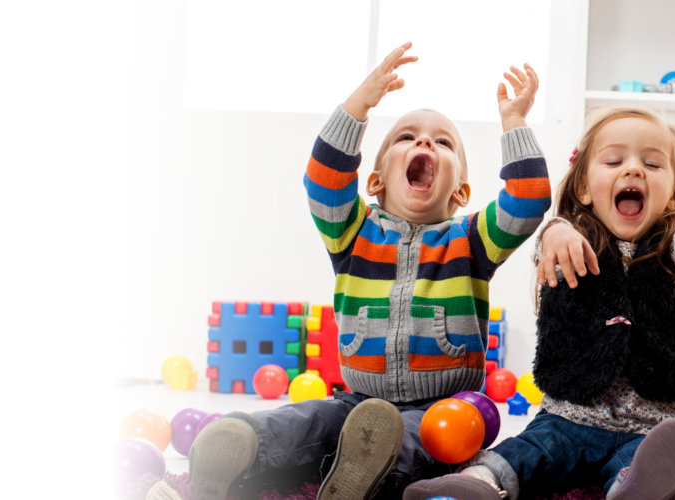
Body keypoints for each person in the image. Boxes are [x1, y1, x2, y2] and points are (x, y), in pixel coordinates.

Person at [157, 42, 549, 500]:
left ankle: (363, 475)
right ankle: (238, 445)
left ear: (461, 191)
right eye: (407, 137)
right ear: (377, 180)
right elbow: (323, 179)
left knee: (417, 438)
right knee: (307, 422)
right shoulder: (352, 232)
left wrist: (515, 124)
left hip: (442, 409)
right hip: (356, 402)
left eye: (443, 142)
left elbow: (527, 201)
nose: (424, 142)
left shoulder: (472, 240)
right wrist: (358, 105)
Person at [404, 107, 675, 500]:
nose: (634, 170)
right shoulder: (571, 238)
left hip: (651, 425)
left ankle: (631, 488)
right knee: (529, 451)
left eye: (652, 163)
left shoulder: (670, 252)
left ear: (673, 191)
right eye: (615, 160)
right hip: (570, 416)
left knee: (644, 462)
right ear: (585, 188)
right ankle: (480, 482)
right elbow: (549, 247)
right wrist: (554, 230)